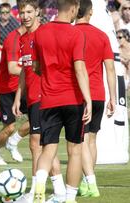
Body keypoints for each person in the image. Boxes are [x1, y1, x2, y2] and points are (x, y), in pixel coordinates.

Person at [32, 0, 92, 202]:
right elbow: (79, 68)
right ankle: (69, 198)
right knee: (74, 150)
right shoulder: (76, 34)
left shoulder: (40, 32)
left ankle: (39, 188)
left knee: (48, 149)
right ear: (74, 6)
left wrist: (49, 72)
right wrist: (88, 99)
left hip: (49, 100)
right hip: (73, 99)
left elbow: (36, 67)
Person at [12, 0, 66, 202]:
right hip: (33, 97)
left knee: (37, 145)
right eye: (22, 12)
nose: (25, 16)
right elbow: (26, 71)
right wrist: (18, 97)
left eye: (29, 12)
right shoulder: (23, 38)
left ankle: (35, 193)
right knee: (46, 145)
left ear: (37, 12)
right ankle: (59, 192)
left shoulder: (45, 35)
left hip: (46, 96)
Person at [75, 0, 116, 198]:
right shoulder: (101, 36)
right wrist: (113, 98)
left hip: (78, 94)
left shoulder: (71, 34)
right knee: (91, 139)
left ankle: (90, 182)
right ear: (90, 12)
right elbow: (110, 69)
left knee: (80, 141)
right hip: (99, 94)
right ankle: (88, 181)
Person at [0, 25, 29, 166]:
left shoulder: (35, 37)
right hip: (6, 90)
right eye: (23, 12)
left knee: (38, 119)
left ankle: (13, 141)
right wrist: (35, 71)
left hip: (23, 88)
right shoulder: (13, 39)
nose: (26, 16)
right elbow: (12, 68)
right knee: (9, 127)